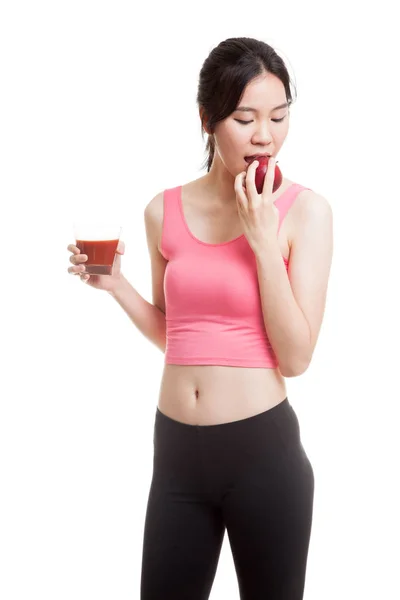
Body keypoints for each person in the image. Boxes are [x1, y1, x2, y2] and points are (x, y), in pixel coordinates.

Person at [67, 37, 333, 600]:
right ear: (207, 119)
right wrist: (117, 287)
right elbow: (177, 334)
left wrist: (262, 242)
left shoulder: (305, 212)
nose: (266, 135)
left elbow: (297, 358)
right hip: (177, 455)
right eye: (245, 118)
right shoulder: (161, 210)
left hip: (264, 456)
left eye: (279, 117)